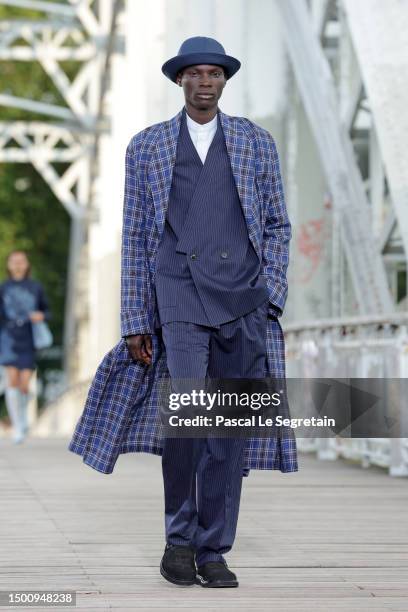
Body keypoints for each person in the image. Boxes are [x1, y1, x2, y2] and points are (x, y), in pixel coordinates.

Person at [69, 36, 298, 590]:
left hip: (242, 302)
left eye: (213, 74)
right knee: (186, 429)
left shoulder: (254, 142)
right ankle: (179, 542)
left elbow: (276, 224)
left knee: (227, 430)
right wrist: (134, 319)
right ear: (179, 81)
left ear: (224, 81)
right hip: (178, 299)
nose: (204, 82)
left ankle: (215, 550)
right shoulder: (145, 147)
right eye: (194, 74)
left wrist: (270, 295)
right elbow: (137, 236)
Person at [0, 250, 50, 443]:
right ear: (9, 265)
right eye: (14, 261)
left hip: (29, 339)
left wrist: (41, 316)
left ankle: (21, 418)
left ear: (27, 264)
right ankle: (18, 427)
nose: (18, 264)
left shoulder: (35, 287)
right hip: (8, 339)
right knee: (11, 380)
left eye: (21, 261)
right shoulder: (3, 287)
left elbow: (47, 311)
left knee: (24, 385)